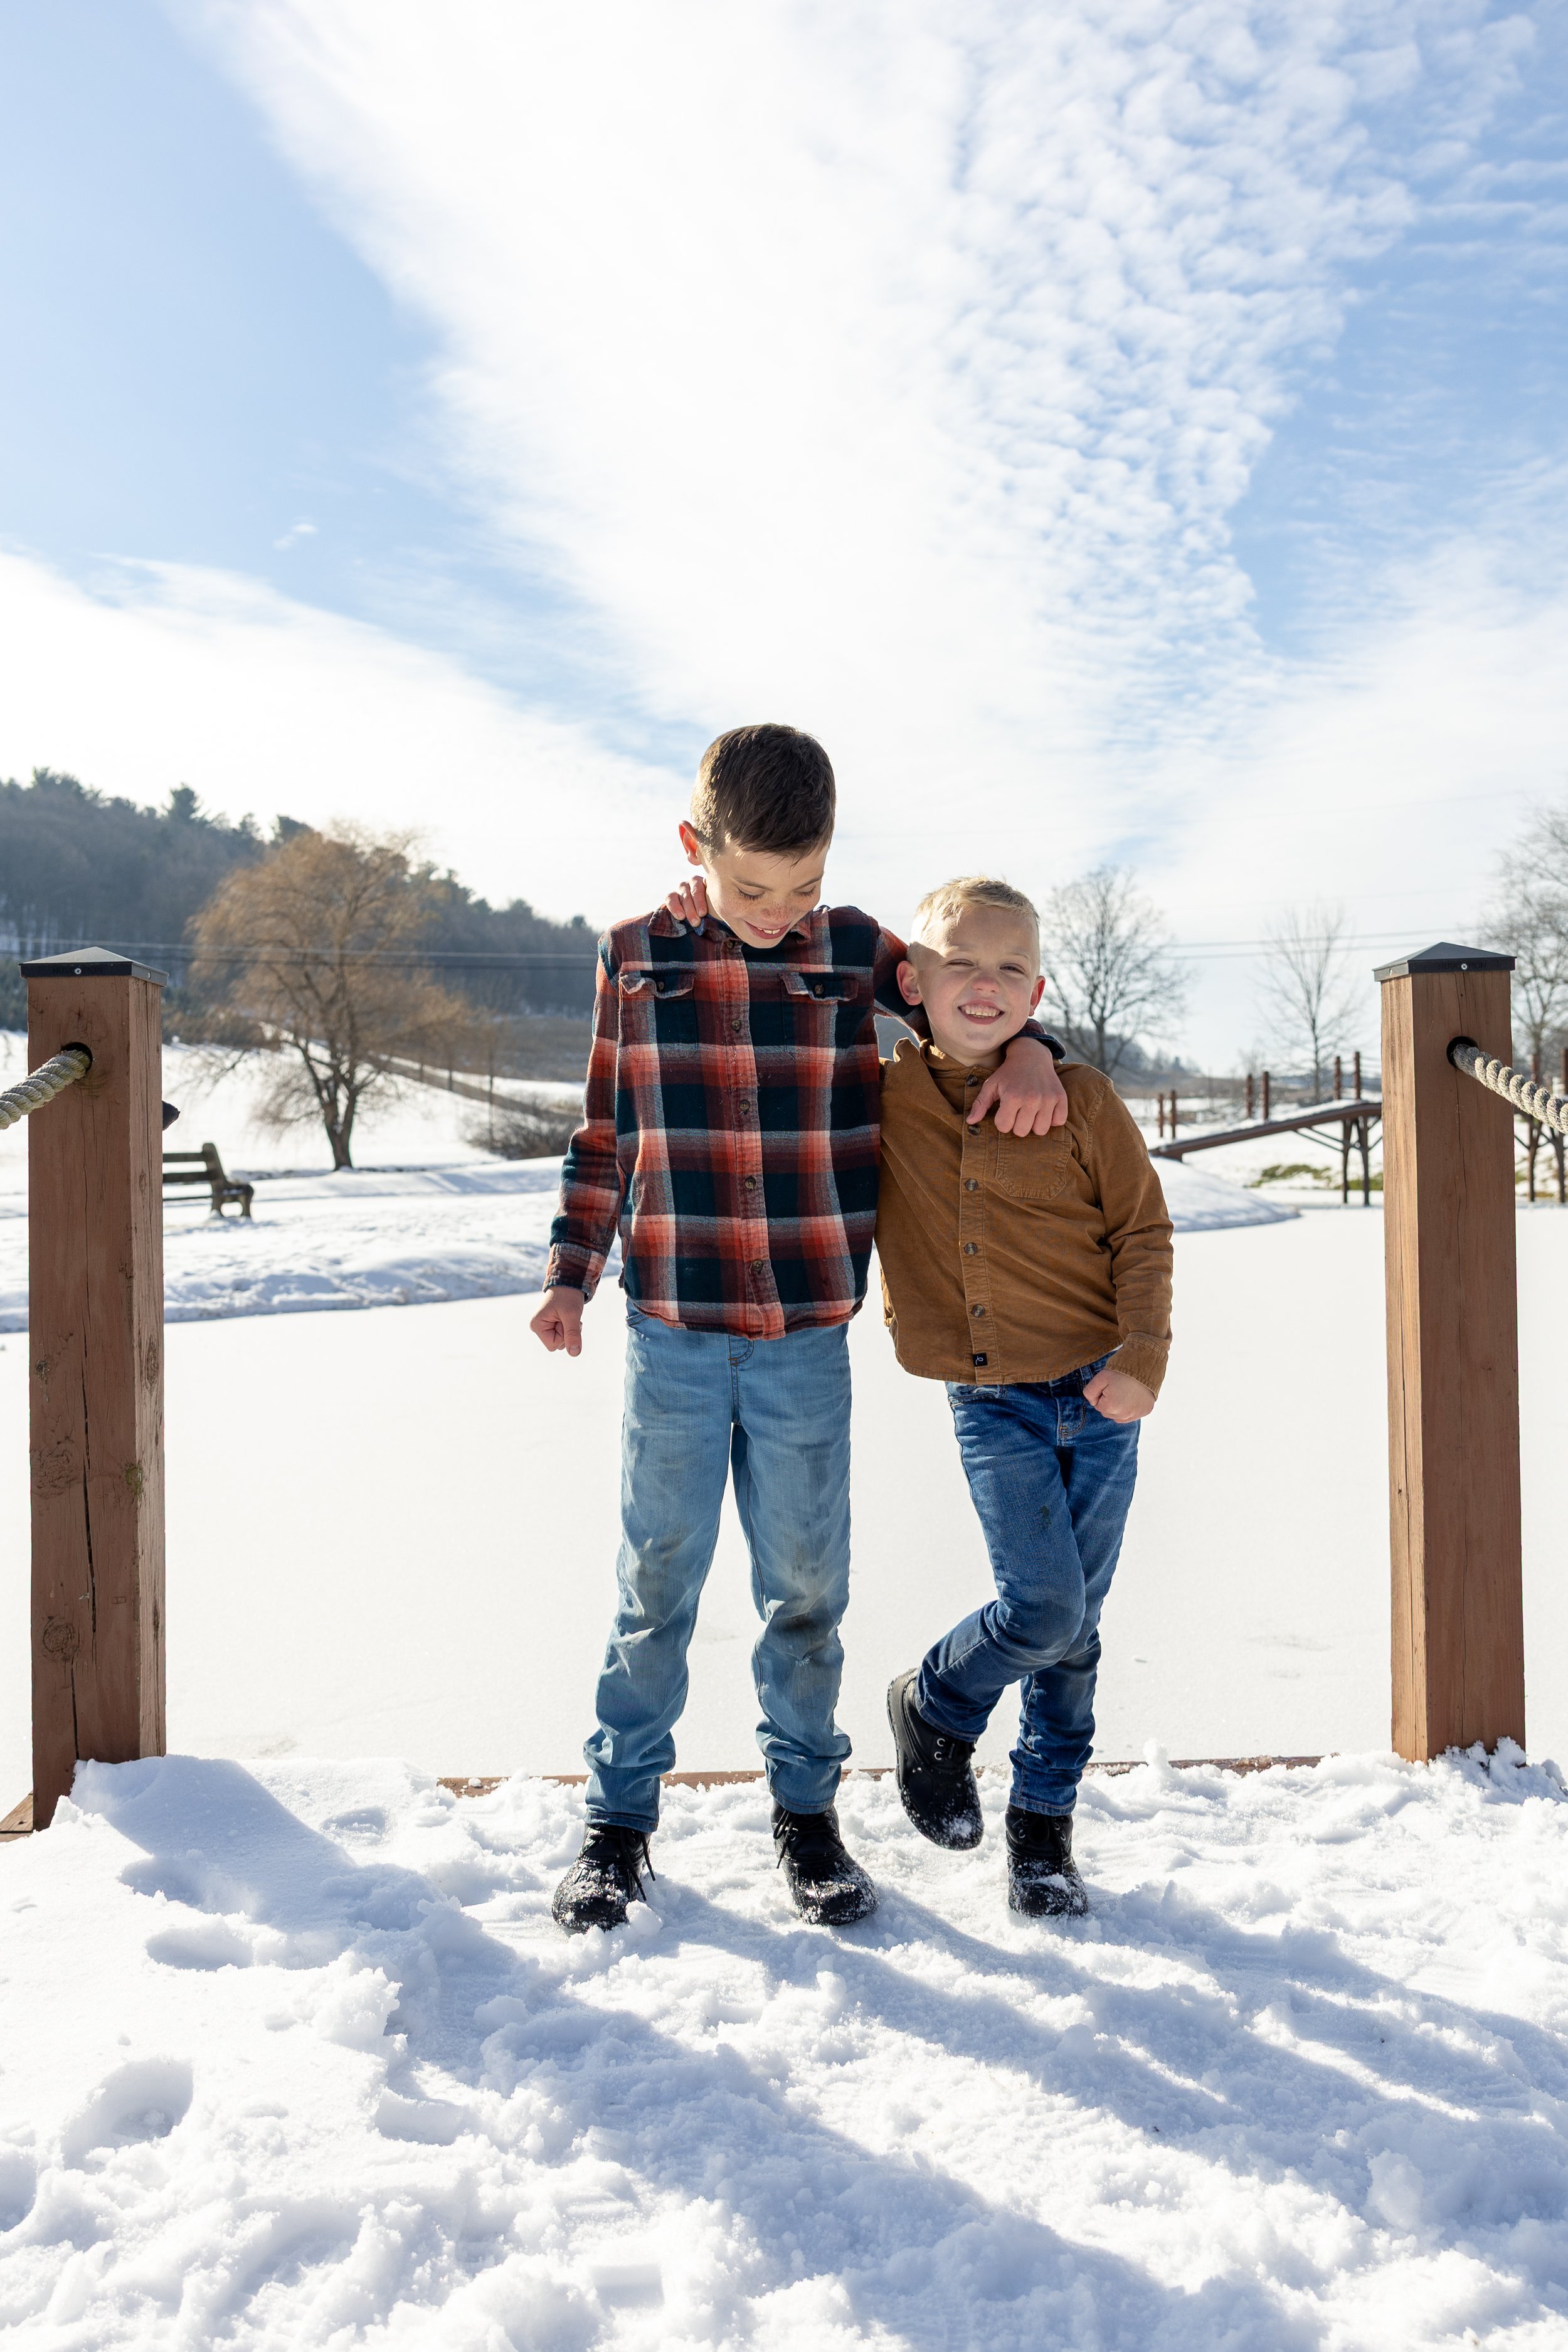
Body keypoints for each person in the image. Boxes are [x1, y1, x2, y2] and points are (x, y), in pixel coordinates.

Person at [531, 728, 1069, 1933]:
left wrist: (1035, 1045)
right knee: (655, 1582)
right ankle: (617, 1823)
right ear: (695, 846)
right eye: (751, 887)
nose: (780, 913)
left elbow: (974, 1003)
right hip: (673, 1328)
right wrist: (571, 1274)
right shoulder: (635, 957)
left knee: (807, 1588)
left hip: (806, 1336)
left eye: (805, 885)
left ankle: (808, 1815)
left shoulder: (853, 949)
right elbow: (604, 1134)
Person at [877, 876, 1172, 1917]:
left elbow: (1143, 1232)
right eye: (959, 963)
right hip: (990, 1396)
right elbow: (834, 955)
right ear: (911, 980)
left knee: (1076, 1628)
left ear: (1039, 989)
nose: (986, 984)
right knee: (1045, 1607)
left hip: (1099, 1390)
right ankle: (937, 1701)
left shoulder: (1081, 1099)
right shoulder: (885, 1095)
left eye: (1012, 969)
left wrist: (1144, 1357)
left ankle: (1042, 1829)